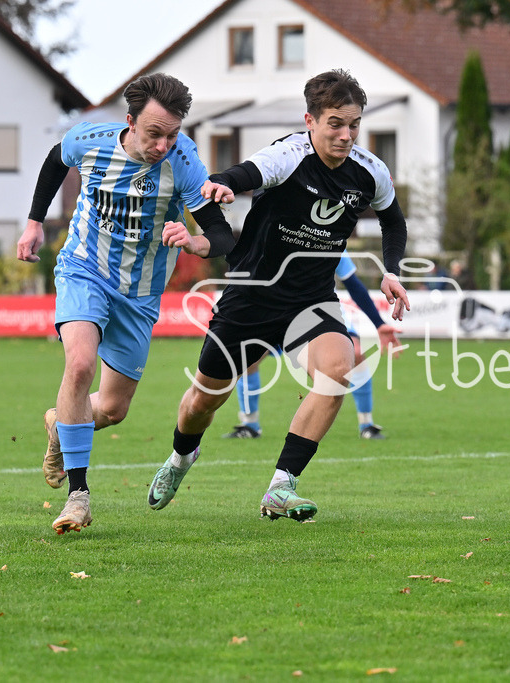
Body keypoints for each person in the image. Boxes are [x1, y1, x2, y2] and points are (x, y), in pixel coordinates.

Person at [147, 69, 410, 521]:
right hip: (251, 295)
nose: (346, 135)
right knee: (203, 402)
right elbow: (249, 171)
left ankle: (281, 486)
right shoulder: (289, 154)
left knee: (339, 369)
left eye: (354, 124)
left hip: (310, 300)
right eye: (335, 124)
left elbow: (394, 221)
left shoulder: (370, 172)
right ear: (310, 120)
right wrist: (226, 182)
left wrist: (393, 270)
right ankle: (180, 458)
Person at [17, 73, 236, 534]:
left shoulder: (185, 163)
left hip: (138, 296)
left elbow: (220, 234)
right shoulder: (90, 140)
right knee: (79, 366)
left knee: (114, 410)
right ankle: (78, 496)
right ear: (131, 122)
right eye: (154, 133)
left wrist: (194, 242)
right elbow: (56, 161)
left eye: (172, 134)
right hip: (84, 269)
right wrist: (35, 222)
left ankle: (61, 425)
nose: (163, 145)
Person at [225, 251, 402, 440]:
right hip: (277, 310)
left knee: (356, 352)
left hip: (322, 311)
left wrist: (378, 323)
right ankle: (250, 425)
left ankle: (367, 425)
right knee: (248, 358)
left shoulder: (333, 240)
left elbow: (353, 285)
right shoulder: (275, 232)